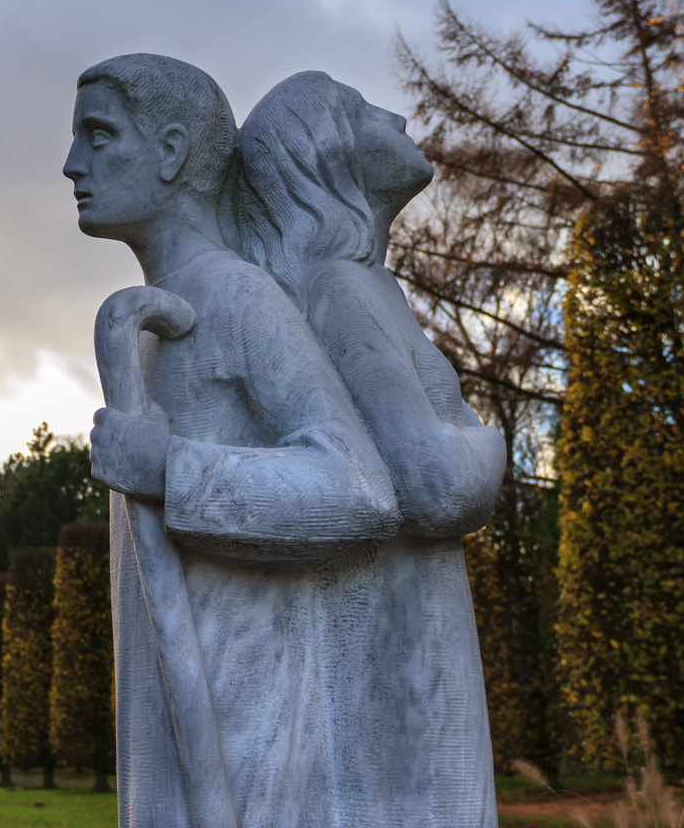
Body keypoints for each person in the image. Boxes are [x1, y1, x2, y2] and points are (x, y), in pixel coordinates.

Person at [63, 53, 403, 828]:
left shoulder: (235, 293)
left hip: (248, 742)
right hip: (174, 729)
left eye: (100, 135)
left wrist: (174, 469)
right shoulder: (162, 315)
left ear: (174, 153)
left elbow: (358, 488)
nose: (71, 163)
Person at [231, 69, 506, 828]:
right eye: (359, 109)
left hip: (398, 629)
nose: (395, 113)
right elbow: (436, 486)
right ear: (321, 155)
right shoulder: (342, 290)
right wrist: (493, 440)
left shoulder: (343, 283)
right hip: (408, 646)